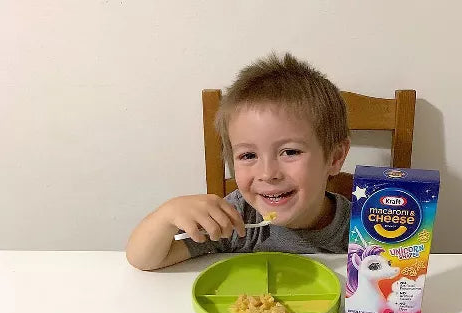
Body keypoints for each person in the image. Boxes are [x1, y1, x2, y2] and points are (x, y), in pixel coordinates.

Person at [126, 53, 351, 270]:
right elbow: (144, 259)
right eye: (248, 155)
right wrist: (166, 215)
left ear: (334, 157)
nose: (267, 173)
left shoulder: (361, 227)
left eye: (290, 152)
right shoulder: (237, 219)